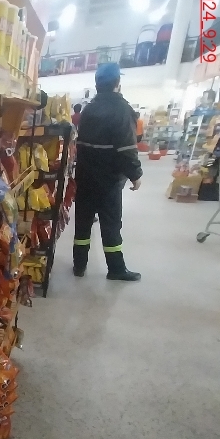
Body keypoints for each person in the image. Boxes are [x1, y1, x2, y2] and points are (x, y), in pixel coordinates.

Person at [73, 62, 143, 282]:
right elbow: (126, 148)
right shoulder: (122, 110)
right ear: (117, 83)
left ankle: (79, 265)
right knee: (111, 224)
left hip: (85, 177)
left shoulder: (88, 109)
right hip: (109, 180)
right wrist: (135, 174)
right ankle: (116, 268)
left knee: (83, 223)